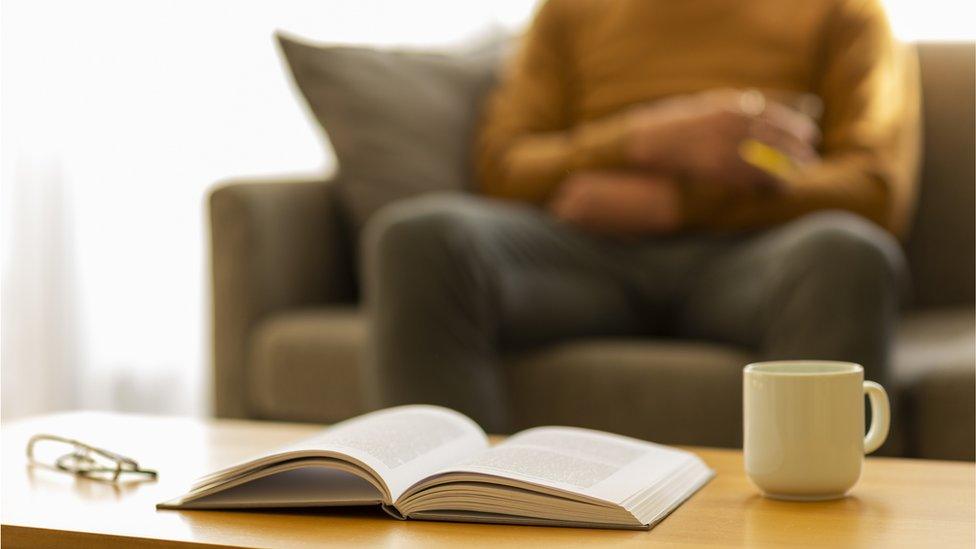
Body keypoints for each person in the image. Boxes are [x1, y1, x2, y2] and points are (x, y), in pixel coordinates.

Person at [363, 0, 919, 433]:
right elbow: (505, 165)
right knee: (418, 236)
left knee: (848, 253)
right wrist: (646, 138)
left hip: (757, 258)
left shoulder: (843, 12)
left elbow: (875, 187)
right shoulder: (571, 12)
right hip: (586, 255)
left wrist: (678, 205)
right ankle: (444, 503)